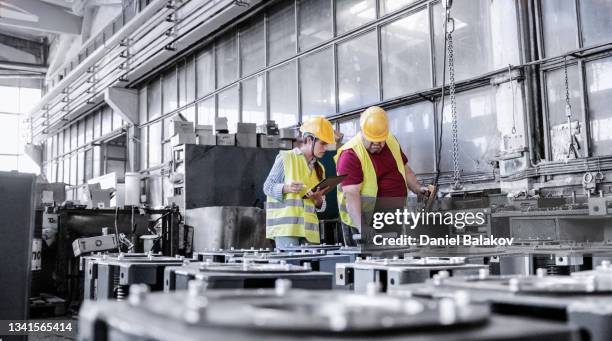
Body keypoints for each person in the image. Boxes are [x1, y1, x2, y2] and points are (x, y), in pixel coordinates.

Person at [334, 106, 430, 246]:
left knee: (393, 260)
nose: (377, 144)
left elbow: (404, 168)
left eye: (380, 140)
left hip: (391, 218)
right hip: (363, 223)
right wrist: (362, 227)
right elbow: (351, 195)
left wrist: (417, 188)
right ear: (362, 132)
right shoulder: (350, 154)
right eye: (372, 140)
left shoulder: (391, 141)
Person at [263, 116, 335, 248]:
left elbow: (320, 206)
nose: (325, 148)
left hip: (310, 232)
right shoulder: (286, 158)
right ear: (309, 140)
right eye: (323, 143)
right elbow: (268, 187)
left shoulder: (320, 168)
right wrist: (286, 188)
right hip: (287, 230)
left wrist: (318, 200)